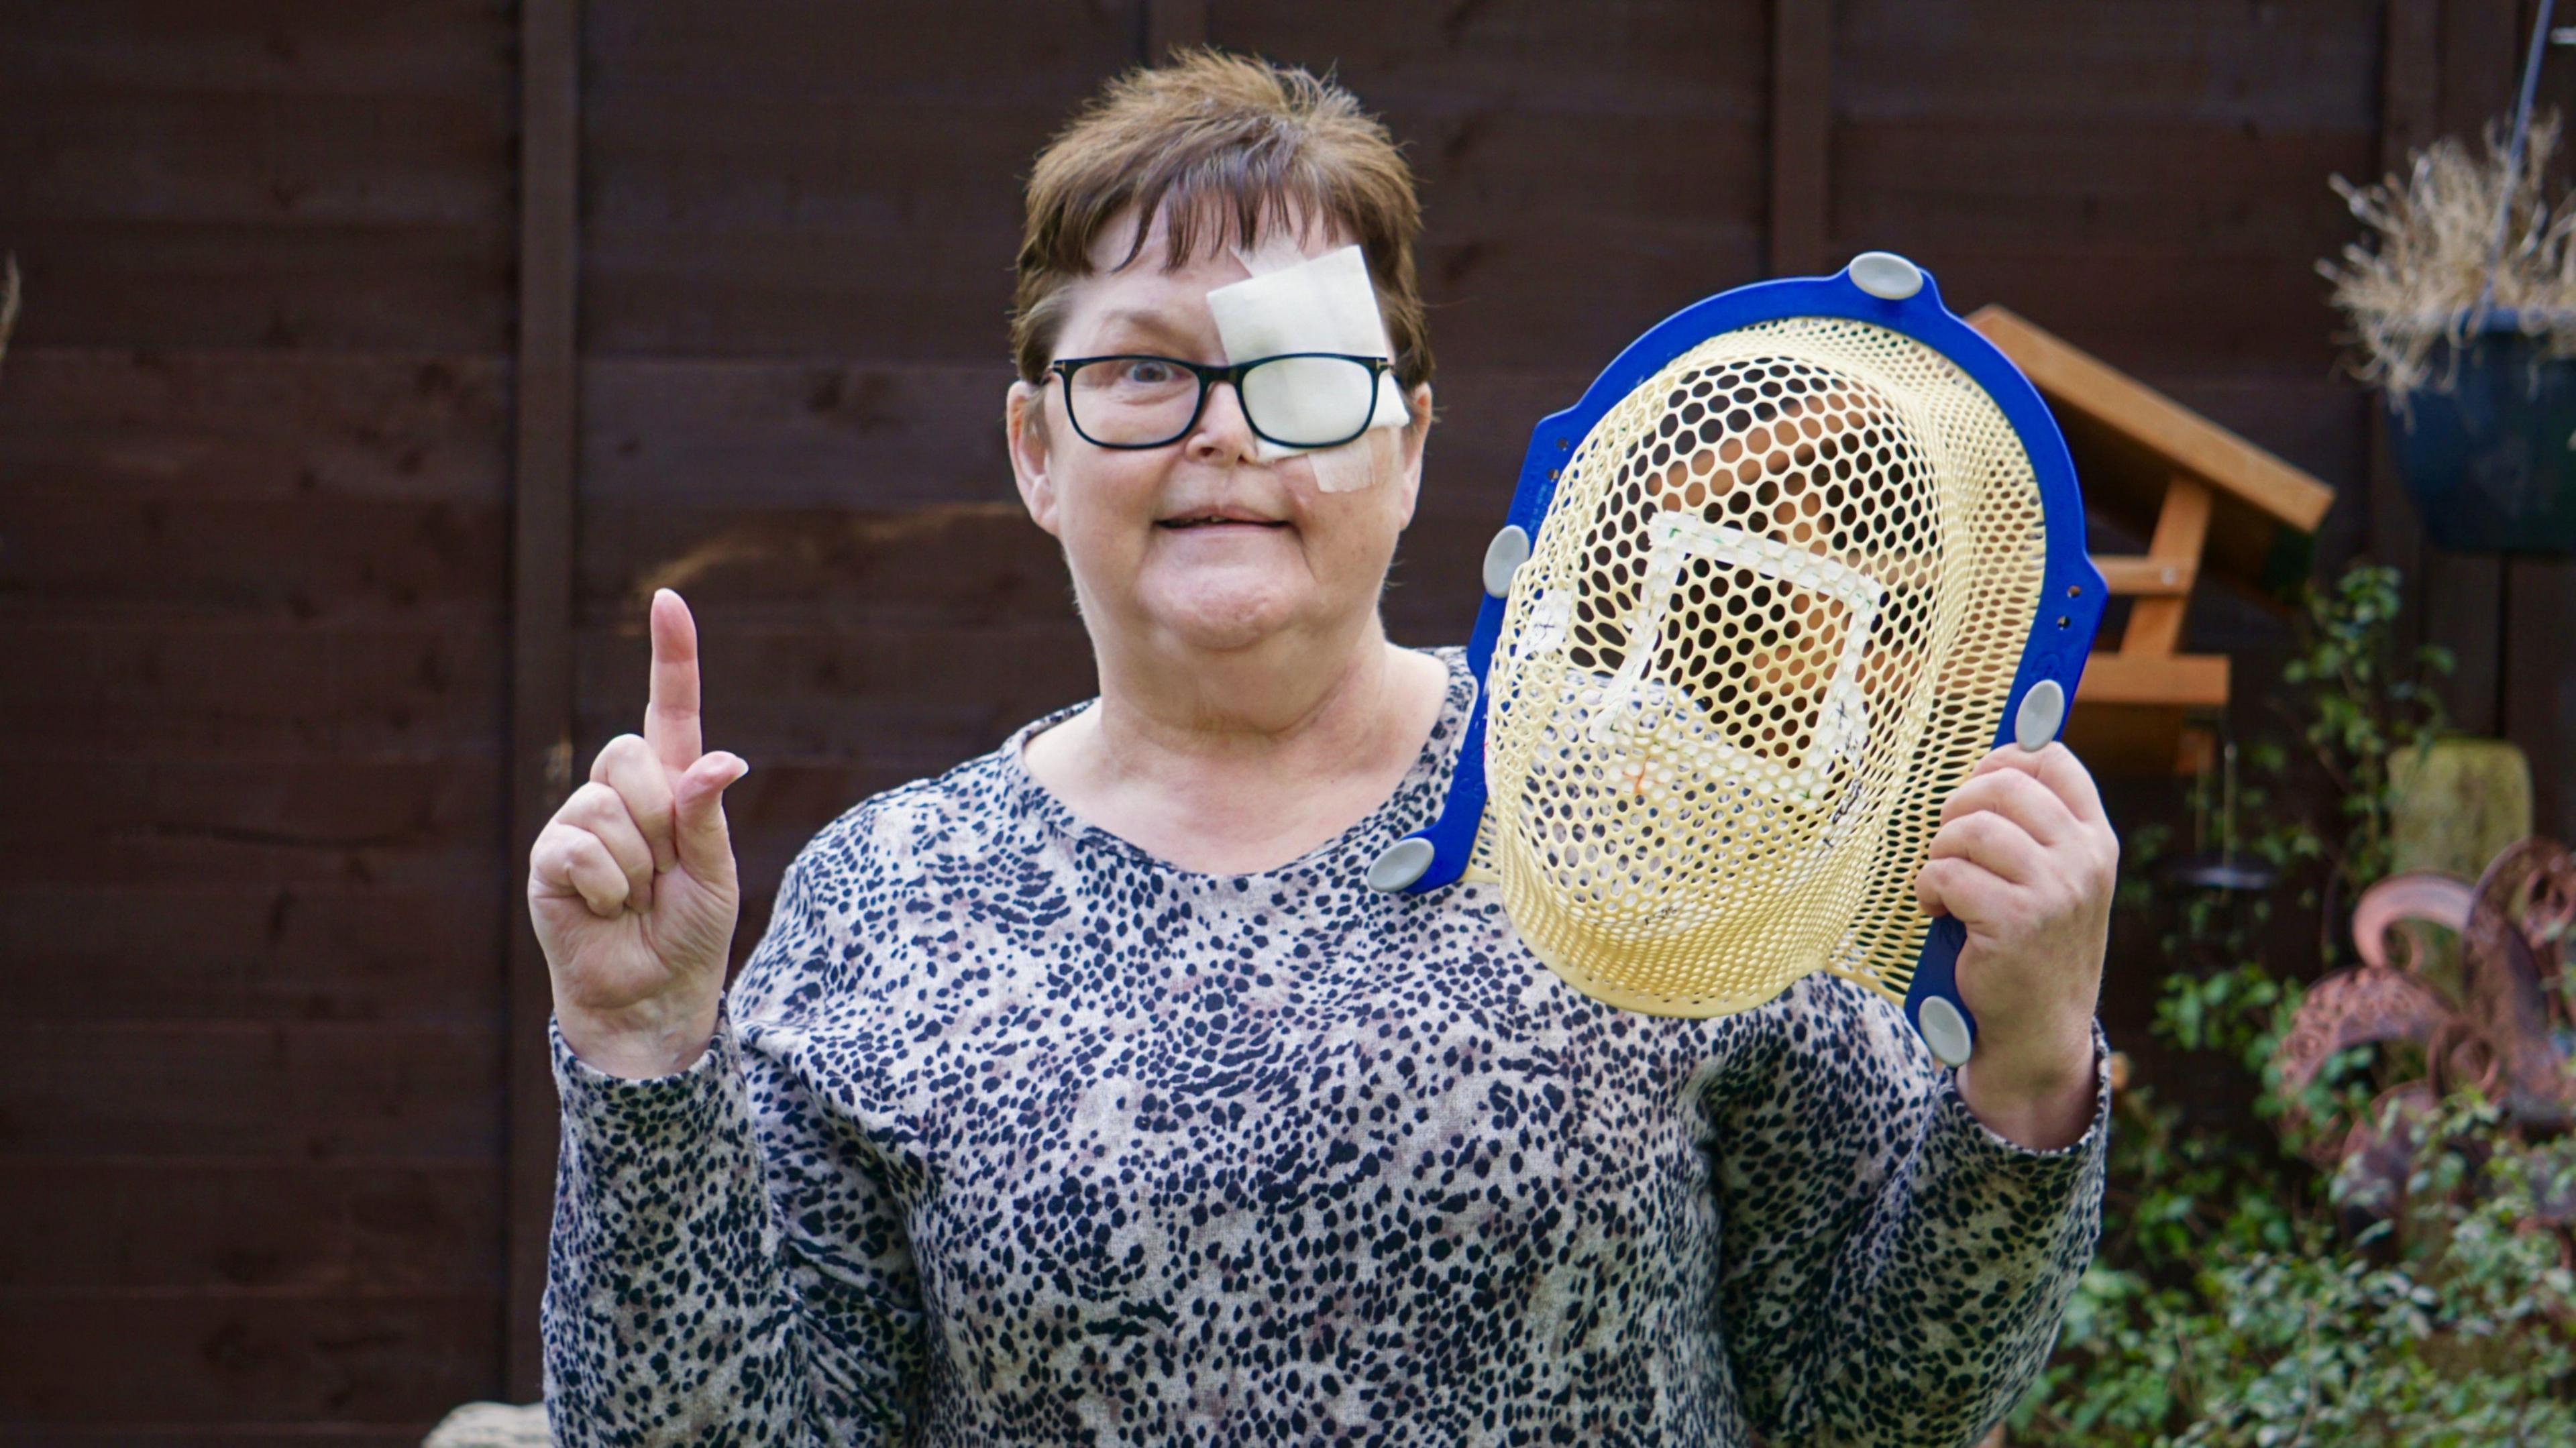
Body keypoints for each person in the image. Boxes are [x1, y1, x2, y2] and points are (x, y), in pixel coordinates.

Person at [531, 49, 2116, 1447]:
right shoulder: (893, 896)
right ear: (1034, 448)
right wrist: (644, 1046)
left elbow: (1881, 1405)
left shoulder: (1645, 802)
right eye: (1144, 366)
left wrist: (2033, 1062)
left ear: (1411, 441)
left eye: (1300, 372)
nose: (1224, 430)